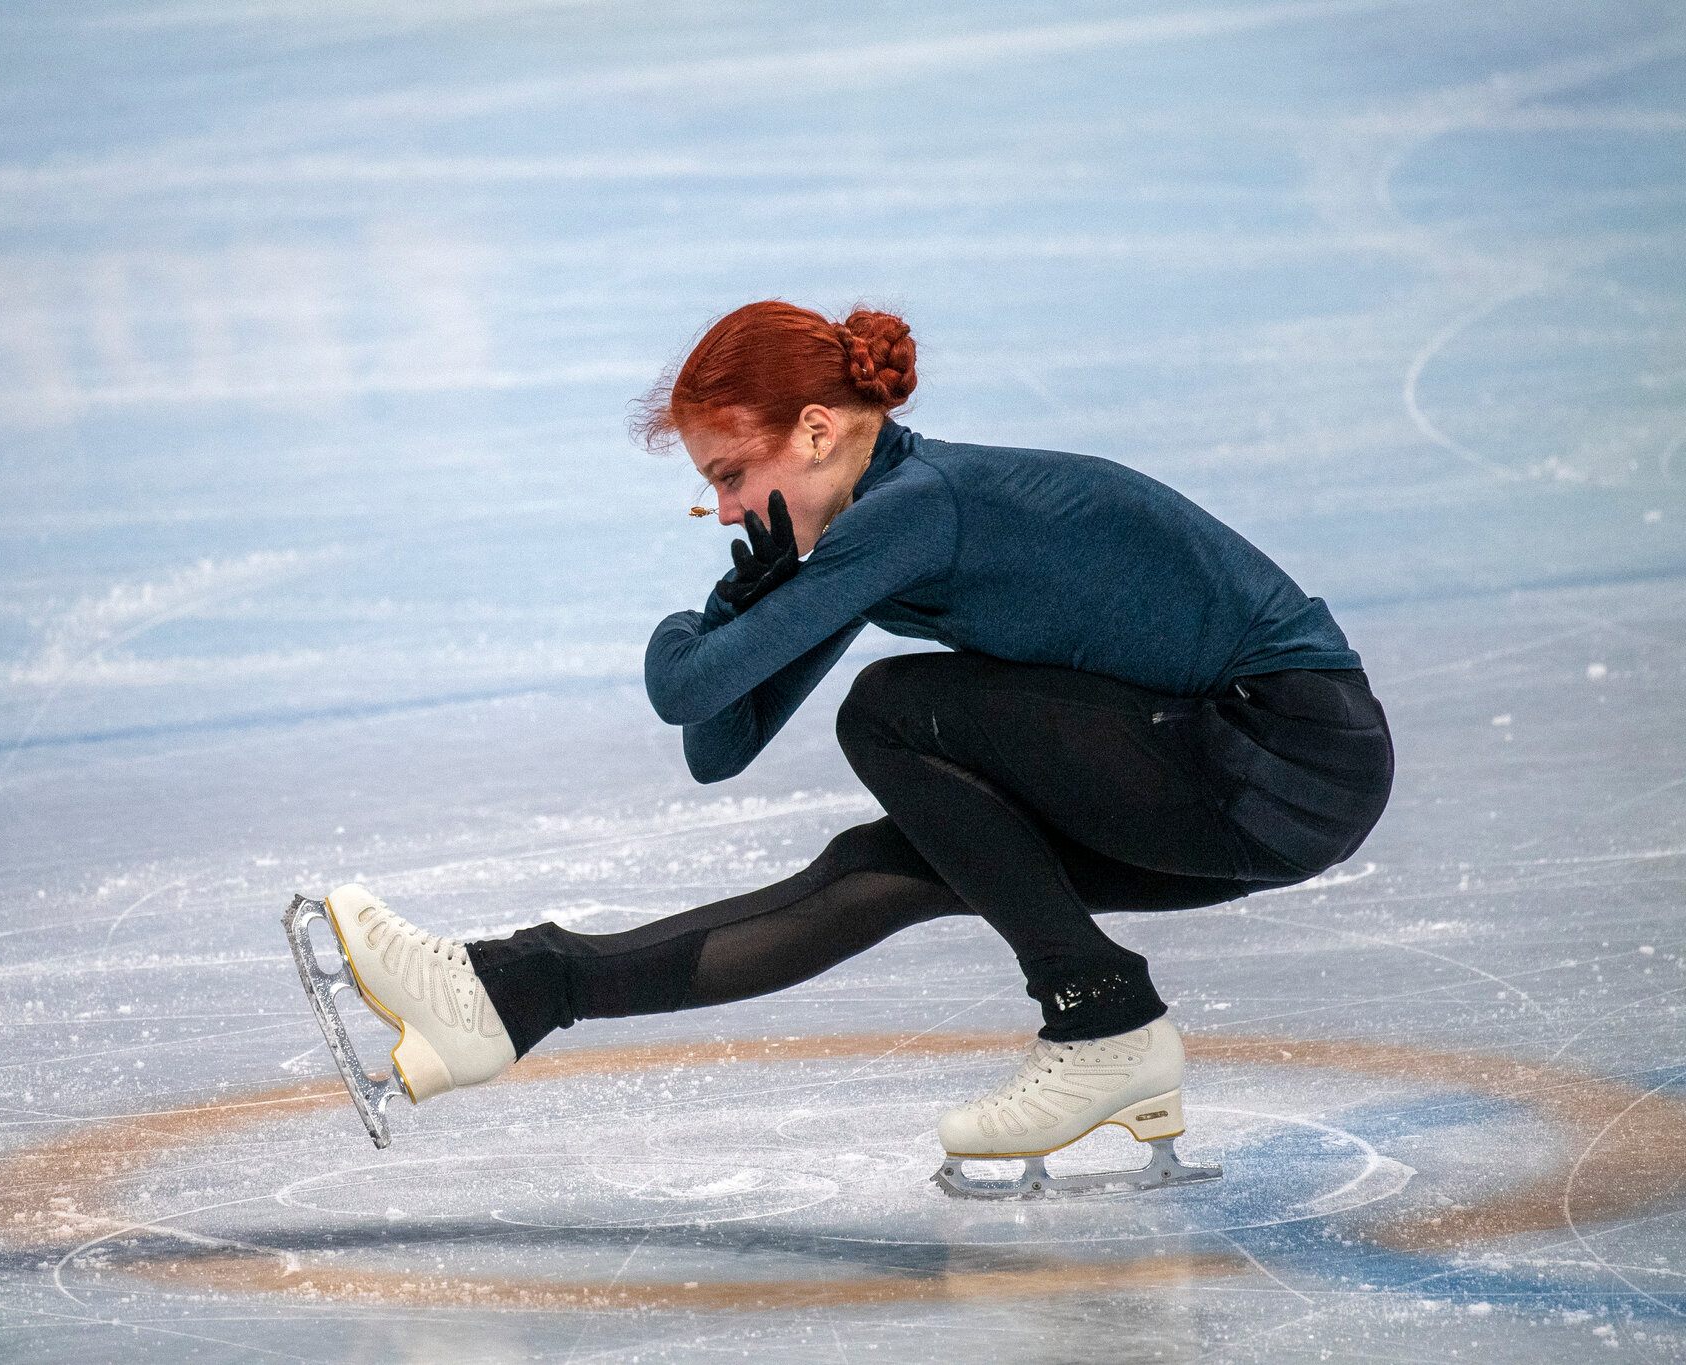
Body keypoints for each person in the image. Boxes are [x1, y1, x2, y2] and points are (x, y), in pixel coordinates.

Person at [307, 300, 1393, 1190]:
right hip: (1217, 781)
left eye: (730, 475)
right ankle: (516, 994)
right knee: (873, 874)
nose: (729, 510)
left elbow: (679, 684)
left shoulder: (915, 512)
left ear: (817, 430)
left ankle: (1100, 1017)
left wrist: (705, 618)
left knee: (886, 708)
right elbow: (716, 744)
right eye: (714, 493)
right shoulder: (878, 525)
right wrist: (762, 597)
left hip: (1280, 755)